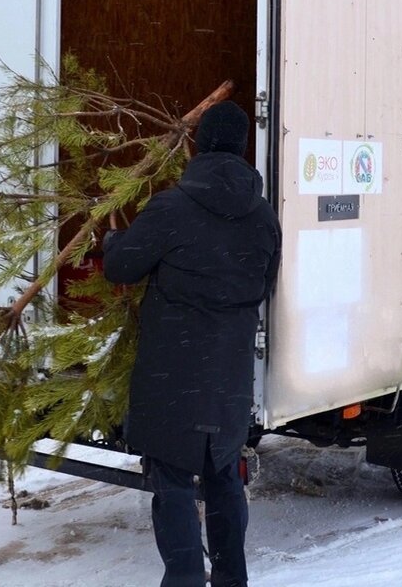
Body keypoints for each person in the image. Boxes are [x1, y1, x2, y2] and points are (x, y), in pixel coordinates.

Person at [102, 101, 281, 587]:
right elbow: (264, 285)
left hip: (172, 377)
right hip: (228, 376)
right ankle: (231, 579)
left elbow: (121, 267)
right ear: (242, 148)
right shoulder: (264, 217)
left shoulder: (172, 207)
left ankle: (183, 578)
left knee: (174, 484)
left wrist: (113, 241)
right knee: (224, 479)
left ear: (200, 145)